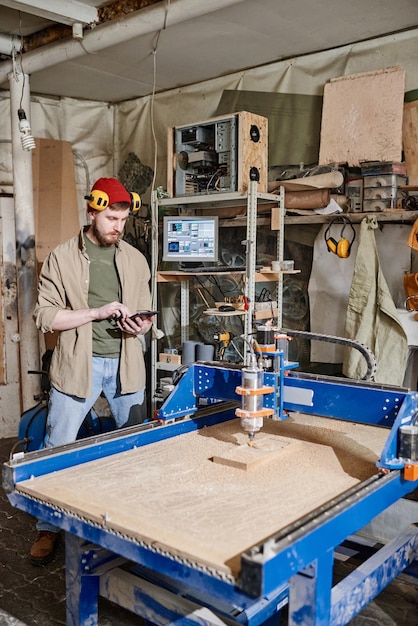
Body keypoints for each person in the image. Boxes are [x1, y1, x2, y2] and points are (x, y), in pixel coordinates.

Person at [30, 177, 154, 565]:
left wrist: (141, 326)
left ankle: (134, 527)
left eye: (123, 219)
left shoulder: (134, 258)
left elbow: (146, 312)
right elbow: (45, 315)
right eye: (111, 218)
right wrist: (97, 313)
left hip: (127, 365)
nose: (118, 226)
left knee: (134, 449)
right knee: (57, 447)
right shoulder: (62, 257)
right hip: (77, 366)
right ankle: (48, 529)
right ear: (92, 211)